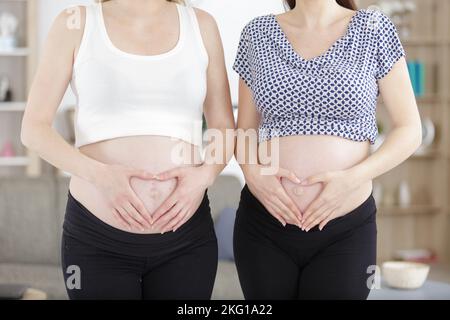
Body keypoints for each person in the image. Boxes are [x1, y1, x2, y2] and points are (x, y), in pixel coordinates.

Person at [21, 0, 234, 300]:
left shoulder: (202, 25)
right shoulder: (76, 23)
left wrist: (205, 176)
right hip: (96, 241)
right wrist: (102, 176)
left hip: (186, 240)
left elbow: (224, 125)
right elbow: (33, 129)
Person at [233, 0, 422, 299]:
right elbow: (244, 130)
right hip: (265, 224)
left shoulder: (374, 29)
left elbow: (410, 129)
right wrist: (255, 177)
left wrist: (353, 178)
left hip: (345, 228)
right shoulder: (257, 33)